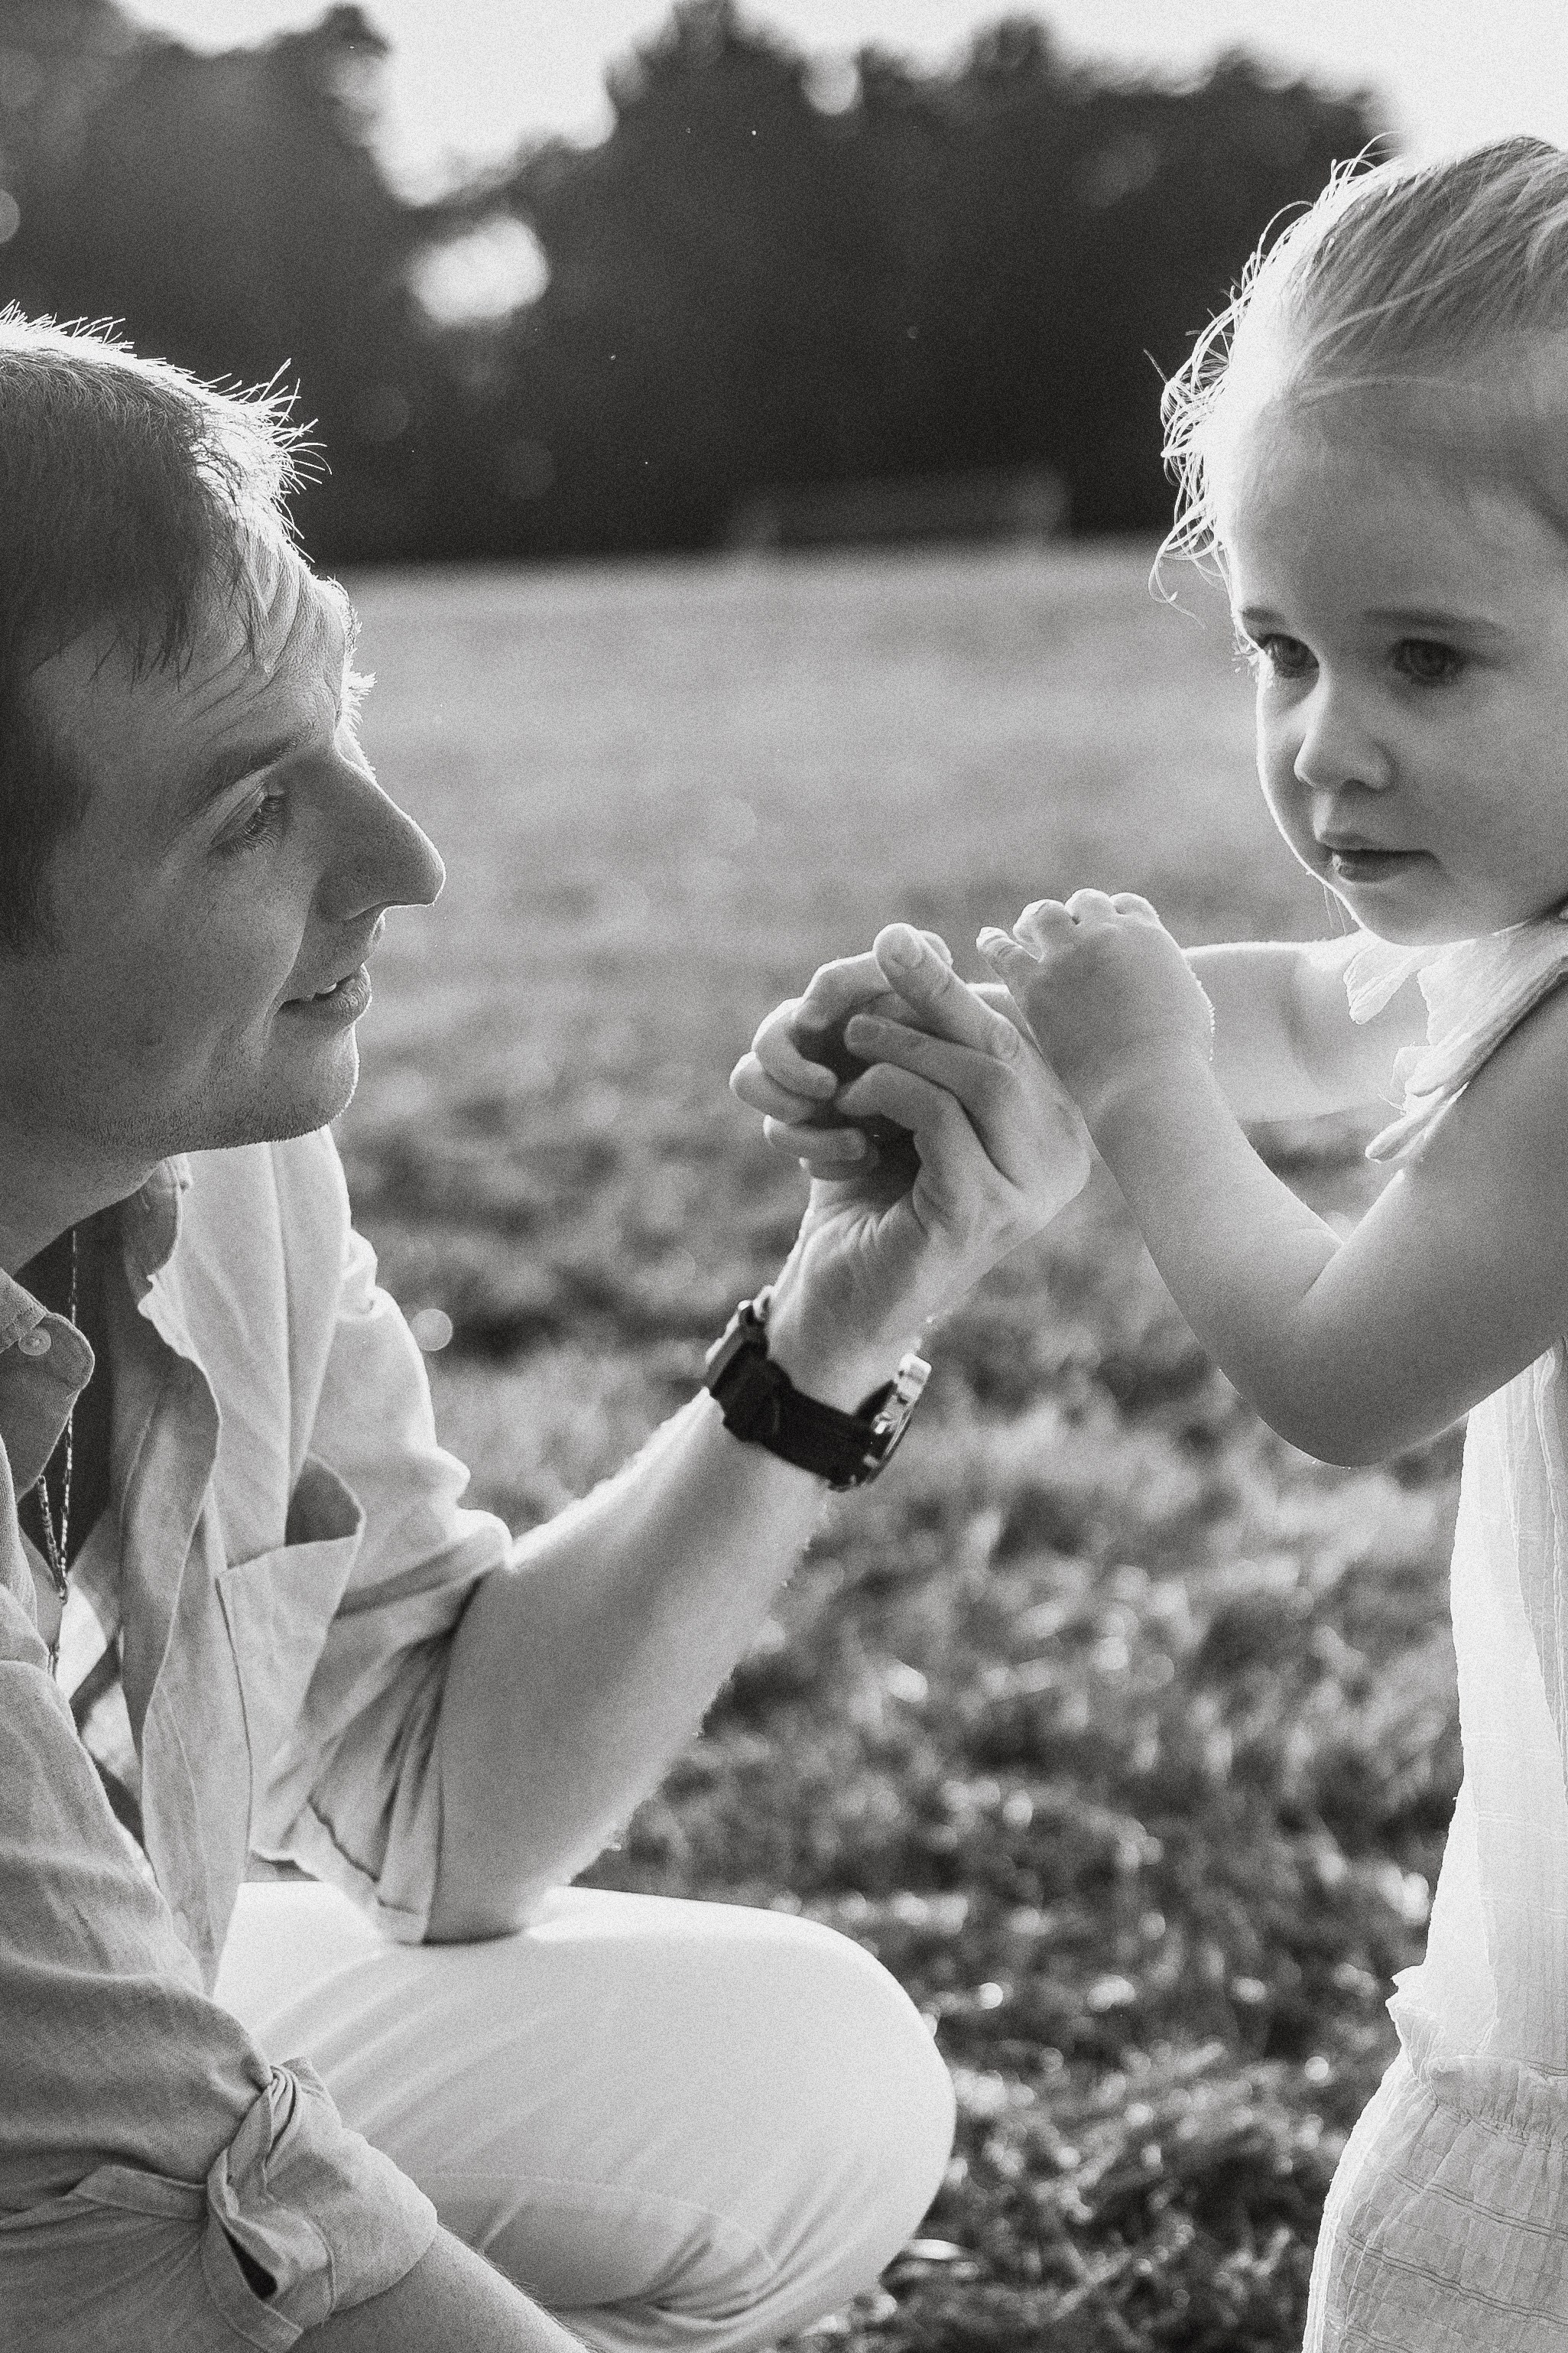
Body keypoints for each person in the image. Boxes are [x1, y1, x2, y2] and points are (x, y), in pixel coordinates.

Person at [0, 309, 1099, 2352]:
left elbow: (437, 1797)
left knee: (796, 2084)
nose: (406, 865)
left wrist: (833, 1329)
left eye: (350, 720)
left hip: (71, 2090)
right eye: (250, 814)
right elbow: (187, 2215)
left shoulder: (213, 1149)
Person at [746, 134, 1568, 2351]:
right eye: (1282, 652)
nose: (1326, 751)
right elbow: (1312, 1007)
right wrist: (1001, 1027)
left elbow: (1332, 1366)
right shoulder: (1524, 948)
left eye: (1424, 659)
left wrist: (1129, 1088)